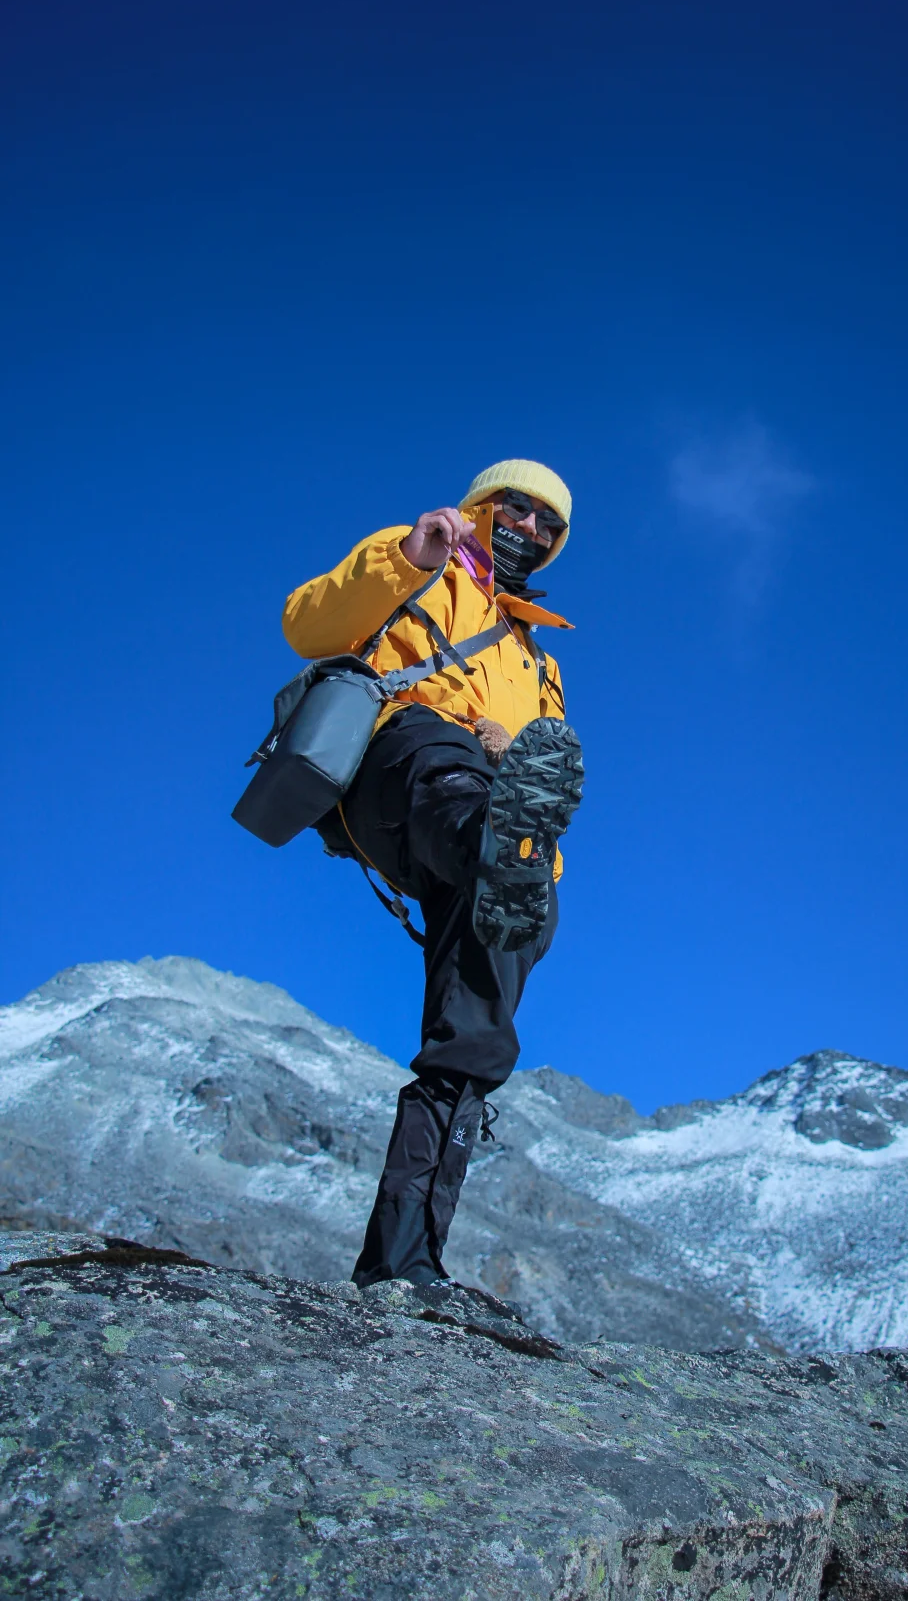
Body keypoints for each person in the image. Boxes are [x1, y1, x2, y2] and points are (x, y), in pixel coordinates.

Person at [281, 459, 584, 1288]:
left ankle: (404, 1265)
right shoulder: (421, 558)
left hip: (486, 831)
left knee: (477, 1027)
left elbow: (539, 778)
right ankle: (494, 845)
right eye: (515, 510)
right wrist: (409, 558)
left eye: (547, 526)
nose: (529, 529)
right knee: (453, 773)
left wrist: (535, 875)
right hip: (401, 759)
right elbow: (307, 625)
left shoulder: (539, 662)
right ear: (485, 505)